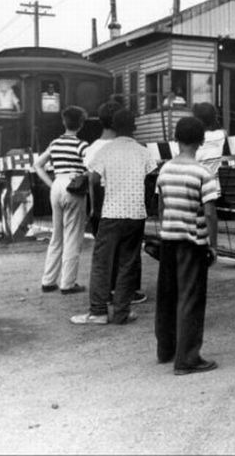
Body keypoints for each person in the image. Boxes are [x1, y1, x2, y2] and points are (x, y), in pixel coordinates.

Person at [71, 109, 156, 325]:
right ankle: (121, 312)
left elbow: (93, 179)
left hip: (111, 213)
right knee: (128, 263)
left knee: (102, 262)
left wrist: (97, 207)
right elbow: (149, 180)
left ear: (114, 127)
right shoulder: (144, 151)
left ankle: (98, 311)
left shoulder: (106, 151)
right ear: (134, 127)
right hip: (136, 214)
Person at [154, 116, 219, 375]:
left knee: (167, 296)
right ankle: (188, 359)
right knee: (190, 299)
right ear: (201, 141)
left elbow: (160, 206)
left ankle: (166, 350)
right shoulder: (204, 173)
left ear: (176, 140)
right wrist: (213, 245)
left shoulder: (165, 169)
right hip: (192, 243)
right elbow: (210, 213)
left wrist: (165, 228)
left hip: (168, 239)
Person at [84, 100, 147, 304]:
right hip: (133, 208)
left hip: (104, 207)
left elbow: (92, 180)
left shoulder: (94, 149)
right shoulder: (137, 148)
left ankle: (101, 304)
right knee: (128, 257)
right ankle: (125, 300)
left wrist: (94, 209)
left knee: (103, 257)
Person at [34, 106, 89, 295]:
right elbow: (91, 167)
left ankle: (48, 281)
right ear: (81, 124)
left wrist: (51, 184)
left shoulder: (55, 143)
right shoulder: (82, 145)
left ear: (64, 122)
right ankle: (68, 283)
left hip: (57, 184)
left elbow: (37, 165)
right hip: (74, 186)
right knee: (73, 235)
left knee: (57, 235)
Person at [192, 102, 227, 197]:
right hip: (212, 189)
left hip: (193, 188)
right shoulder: (219, 136)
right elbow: (224, 132)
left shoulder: (191, 138)